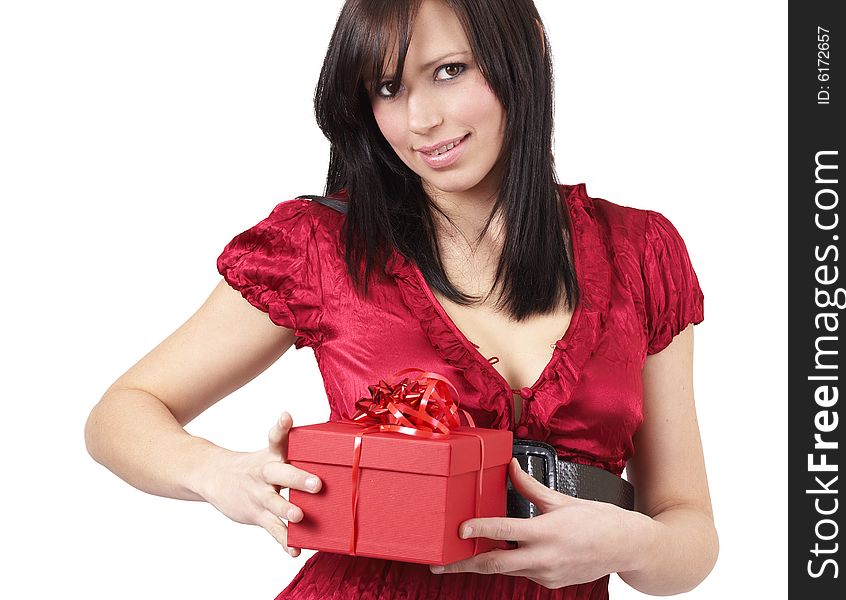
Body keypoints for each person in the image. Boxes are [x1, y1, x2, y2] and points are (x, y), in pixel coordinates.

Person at [84, 0, 719, 598]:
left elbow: (689, 530)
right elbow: (120, 414)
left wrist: (630, 544)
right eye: (389, 88)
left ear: (521, 55)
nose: (421, 121)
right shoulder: (320, 245)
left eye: (449, 71)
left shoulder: (639, 252)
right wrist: (220, 474)